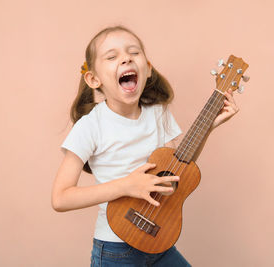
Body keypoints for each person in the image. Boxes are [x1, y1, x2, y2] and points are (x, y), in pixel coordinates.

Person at [51, 25, 239, 267]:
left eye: (134, 52)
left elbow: (176, 169)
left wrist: (209, 126)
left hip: (159, 240)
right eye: (112, 56)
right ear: (93, 79)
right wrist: (127, 185)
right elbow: (61, 198)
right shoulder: (90, 126)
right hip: (116, 248)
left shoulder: (158, 113)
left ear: (147, 69)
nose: (126, 58)